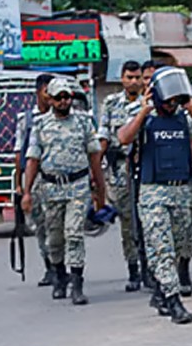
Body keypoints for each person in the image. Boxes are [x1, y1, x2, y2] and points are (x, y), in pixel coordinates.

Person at [117, 68, 192, 323]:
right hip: (153, 192)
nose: (172, 105)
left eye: (175, 100)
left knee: (182, 247)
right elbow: (124, 138)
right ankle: (173, 301)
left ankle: (161, 291)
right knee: (162, 247)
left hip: (182, 191)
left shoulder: (184, 118)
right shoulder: (143, 116)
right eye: (168, 100)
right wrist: (143, 111)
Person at [21, 78, 107, 305]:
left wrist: (100, 189)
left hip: (77, 186)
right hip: (50, 188)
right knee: (55, 238)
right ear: (50, 99)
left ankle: (77, 284)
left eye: (66, 97)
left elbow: (94, 157)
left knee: (74, 234)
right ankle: (59, 276)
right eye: (58, 97)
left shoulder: (83, 122)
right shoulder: (40, 125)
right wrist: (26, 192)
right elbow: (32, 159)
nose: (63, 101)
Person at [98, 61, 146, 291]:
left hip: (145, 167)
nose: (134, 81)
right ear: (122, 78)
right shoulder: (111, 103)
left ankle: (150, 268)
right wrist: (95, 170)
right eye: (130, 77)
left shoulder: (149, 102)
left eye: (137, 77)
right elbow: (103, 136)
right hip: (120, 170)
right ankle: (133, 269)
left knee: (148, 221)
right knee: (128, 222)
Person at [14, 73, 55, 288]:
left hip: (56, 178)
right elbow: (19, 152)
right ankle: (50, 267)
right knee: (40, 226)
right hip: (35, 179)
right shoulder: (27, 120)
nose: (51, 96)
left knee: (58, 225)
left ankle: (62, 266)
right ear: (38, 92)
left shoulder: (63, 116)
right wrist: (19, 185)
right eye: (47, 91)